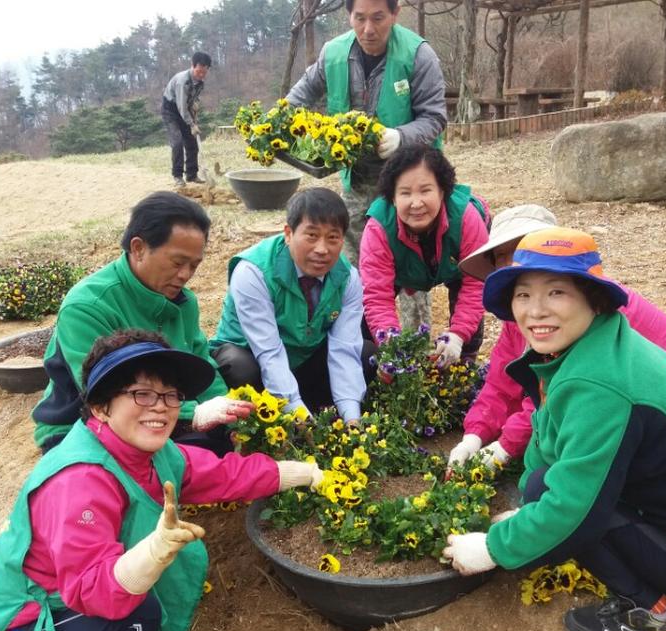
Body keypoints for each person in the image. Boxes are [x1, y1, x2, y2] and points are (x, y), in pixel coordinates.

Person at [0, 330, 324, 631]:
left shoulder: (149, 453)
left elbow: (219, 475)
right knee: (138, 616)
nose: (161, 408)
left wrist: (302, 473)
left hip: (65, 607)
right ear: (100, 406)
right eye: (141, 394)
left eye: (170, 395)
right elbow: (91, 591)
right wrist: (150, 554)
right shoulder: (81, 479)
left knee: (138, 608)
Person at [443, 227, 666, 631]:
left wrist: (492, 548)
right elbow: (547, 438)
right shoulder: (589, 345)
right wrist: (524, 509)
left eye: (556, 292)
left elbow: (573, 511)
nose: (535, 311)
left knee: (580, 516)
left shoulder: (601, 383)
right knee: (543, 485)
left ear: (593, 298)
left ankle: (656, 613)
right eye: (523, 294)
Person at [447, 204, 666, 470]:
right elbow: (501, 383)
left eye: (523, 249)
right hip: (641, 400)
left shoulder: (589, 306)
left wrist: (503, 448)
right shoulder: (525, 314)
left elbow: (551, 396)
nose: (514, 264)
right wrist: (473, 436)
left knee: (596, 457)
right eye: (502, 257)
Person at [32, 191, 250, 456]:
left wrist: (224, 409)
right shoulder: (88, 306)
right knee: (152, 470)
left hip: (158, 413)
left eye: (194, 265)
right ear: (138, 248)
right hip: (88, 421)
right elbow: (103, 393)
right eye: (178, 262)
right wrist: (195, 412)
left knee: (222, 450)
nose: (185, 275)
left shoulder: (183, 303)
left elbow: (202, 360)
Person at [285, 0, 447, 268]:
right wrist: (275, 127)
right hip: (357, 178)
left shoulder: (418, 55)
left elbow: (434, 117)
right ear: (349, 16)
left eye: (378, 18)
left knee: (410, 264)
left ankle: (410, 309)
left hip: (408, 181)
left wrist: (400, 137)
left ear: (395, 14)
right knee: (355, 262)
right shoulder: (334, 53)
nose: (368, 29)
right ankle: (357, 310)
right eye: (359, 18)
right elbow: (299, 97)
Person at [210, 188, 375, 424]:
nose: (322, 249)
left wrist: (352, 417)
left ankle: (317, 412)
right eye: (311, 235)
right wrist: (300, 418)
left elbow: (344, 348)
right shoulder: (253, 272)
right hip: (252, 356)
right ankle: (276, 418)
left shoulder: (347, 277)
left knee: (365, 354)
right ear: (288, 233)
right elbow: (268, 351)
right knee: (240, 368)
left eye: (333, 238)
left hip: (300, 360)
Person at [360, 144, 490, 368]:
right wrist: (391, 344)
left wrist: (458, 334)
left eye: (426, 190)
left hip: (457, 266)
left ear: (442, 191)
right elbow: (376, 295)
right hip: (405, 268)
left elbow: (476, 286)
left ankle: (465, 375)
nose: (416, 203)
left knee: (468, 333)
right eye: (405, 193)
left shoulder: (467, 218)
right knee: (367, 328)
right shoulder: (378, 228)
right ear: (392, 197)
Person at [162, 52, 212, 187]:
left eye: (204, 72)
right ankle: (177, 176)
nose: (201, 75)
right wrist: (191, 123)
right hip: (171, 110)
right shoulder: (182, 81)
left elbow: (191, 100)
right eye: (199, 71)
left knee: (192, 142)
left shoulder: (200, 82)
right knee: (177, 142)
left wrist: (195, 105)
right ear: (192, 66)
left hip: (185, 110)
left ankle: (191, 174)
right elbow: (181, 107)